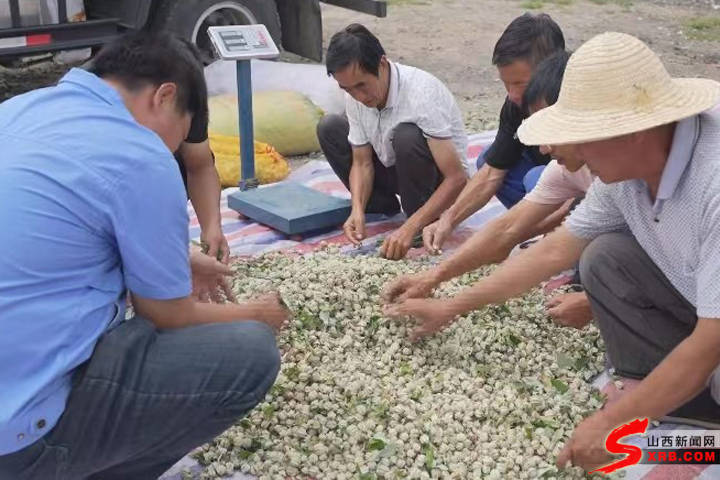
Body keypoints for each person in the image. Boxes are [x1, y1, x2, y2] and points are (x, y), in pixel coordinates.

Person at [384, 32, 720, 473]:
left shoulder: (712, 181)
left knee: (686, 406)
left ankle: (700, 432)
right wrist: (447, 299)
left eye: (580, 136)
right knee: (604, 256)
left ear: (632, 131)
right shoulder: (627, 171)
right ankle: (688, 402)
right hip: (698, 301)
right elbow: (550, 253)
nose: (558, 151)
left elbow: (711, 341)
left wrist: (612, 421)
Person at [0, 32, 288, 480]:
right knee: (250, 351)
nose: (174, 148)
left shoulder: (19, 110)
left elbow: (54, 230)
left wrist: (180, 258)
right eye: (181, 129)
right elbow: (167, 314)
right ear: (164, 96)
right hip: (16, 437)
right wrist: (256, 313)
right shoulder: (139, 152)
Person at [386, 50, 594, 330]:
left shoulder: (619, 175)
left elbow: (553, 252)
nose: (543, 148)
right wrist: (434, 276)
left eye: (550, 131)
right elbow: (507, 228)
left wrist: (592, 301)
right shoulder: (569, 167)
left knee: (600, 257)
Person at [317, 23, 468, 260]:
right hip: (394, 167)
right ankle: (379, 209)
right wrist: (357, 209)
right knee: (330, 127)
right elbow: (361, 162)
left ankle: (422, 221)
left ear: (382, 65)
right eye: (347, 89)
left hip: (437, 182)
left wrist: (409, 227)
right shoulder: (355, 96)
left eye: (361, 86)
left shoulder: (420, 93)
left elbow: (457, 178)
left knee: (406, 136)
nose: (358, 96)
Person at [422, 13, 566, 254]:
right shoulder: (515, 105)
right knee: (488, 159)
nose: (511, 94)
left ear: (549, 71)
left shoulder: (576, 105)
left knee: (539, 177)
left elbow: (584, 190)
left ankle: (555, 240)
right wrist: (447, 219)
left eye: (520, 84)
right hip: (554, 191)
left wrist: (508, 236)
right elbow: (492, 171)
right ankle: (539, 229)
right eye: (505, 84)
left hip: (583, 200)